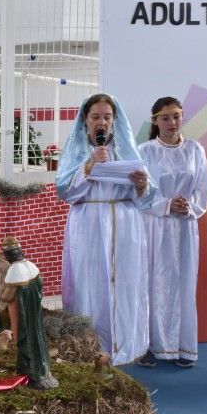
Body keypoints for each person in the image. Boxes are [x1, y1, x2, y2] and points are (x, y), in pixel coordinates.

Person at [56, 93, 153, 365]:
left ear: (114, 120)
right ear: (85, 120)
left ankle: (125, 346)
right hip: (88, 224)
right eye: (96, 117)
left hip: (124, 225)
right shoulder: (76, 152)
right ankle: (89, 348)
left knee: (124, 283)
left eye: (107, 117)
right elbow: (64, 191)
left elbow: (147, 196)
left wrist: (141, 185)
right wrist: (89, 166)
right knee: (89, 283)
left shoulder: (127, 150)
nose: (102, 122)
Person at [136, 97, 207, 369]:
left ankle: (182, 346)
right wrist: (166, 204)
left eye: (176, 116)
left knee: (183, 283)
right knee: (151, 282)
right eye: (165, 117)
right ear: (155, 120)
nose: (172, 122)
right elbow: (139, 192)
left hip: (184, 226)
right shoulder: (144, 151)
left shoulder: (195, 149)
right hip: (155, 226)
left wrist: (188, 206)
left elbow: (202, 185)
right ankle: (147, 345)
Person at [0, 238, 58, 389]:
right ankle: (43, 370)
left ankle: (33, 374)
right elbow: (39, 286)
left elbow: (7, 297)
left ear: (9, 256)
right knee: (38, 339)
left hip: (24, 316)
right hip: (35, 314)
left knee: (27, 341)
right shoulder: (32, 266)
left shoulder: (14, 271)